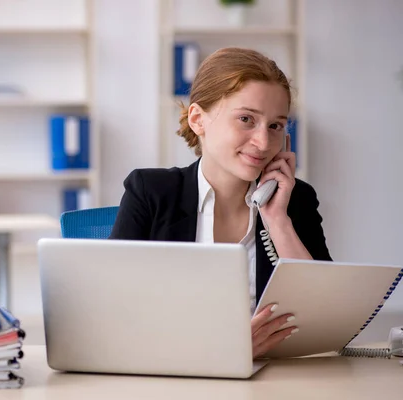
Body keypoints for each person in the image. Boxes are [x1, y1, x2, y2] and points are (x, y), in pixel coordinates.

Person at [109, 47, 332, 359]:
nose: (263, 142)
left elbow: (326, 318)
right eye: (246, 119)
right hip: (175, 376)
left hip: (276, 381)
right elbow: (115, 316)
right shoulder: (150, 191)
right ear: (199, 119)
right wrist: (228, 349)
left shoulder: (296, 199)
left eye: (276, 126)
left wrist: (278, 220)